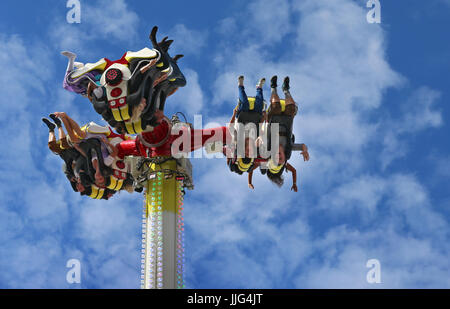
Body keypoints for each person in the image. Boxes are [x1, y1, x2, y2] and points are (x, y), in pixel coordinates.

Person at [226, 76, 266, 175]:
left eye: (246, 153)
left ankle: (240, 85)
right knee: (259, 104)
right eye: (250, 154)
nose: (249, 151)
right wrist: (264, 118)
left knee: (245, 103)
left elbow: (230, 127)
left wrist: (234, 114)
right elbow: (260, 127)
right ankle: (259, 87)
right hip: (255, 116)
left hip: (242, 116)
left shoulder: (237, 140)